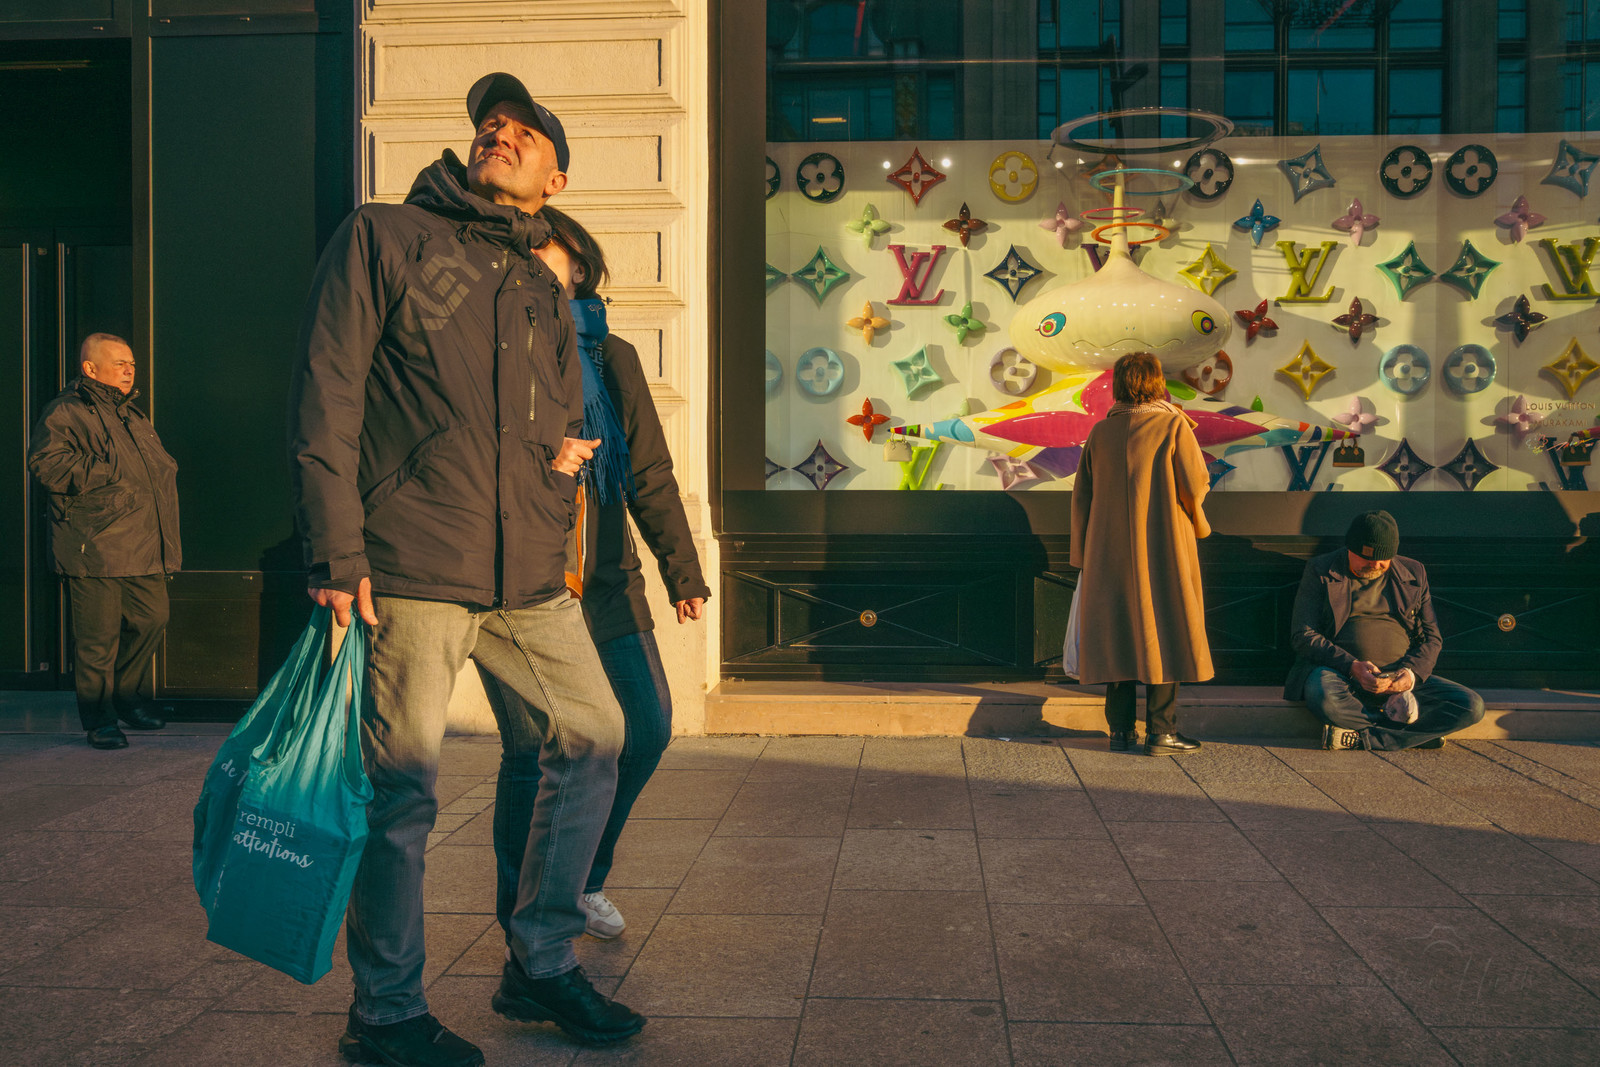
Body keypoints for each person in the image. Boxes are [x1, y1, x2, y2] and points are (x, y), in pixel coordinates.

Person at [288, 72, 644, 1066]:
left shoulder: (539, 279)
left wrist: (559, 461)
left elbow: (549, 414)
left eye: (524, 131)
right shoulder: (388, 236)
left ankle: (538, 954)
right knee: (402, 791)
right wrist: (334, 546)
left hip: (524, 573)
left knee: (596, 731)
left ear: (555, 172)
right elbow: (328, 391)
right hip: (410, 564)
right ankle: (387, 1012)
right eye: (492, 124)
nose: (501, 133)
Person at [489, 205, 710, 946]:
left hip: (606, 581)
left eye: (545, 253)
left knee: (644, 729)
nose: (532, 264)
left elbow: (649, 468)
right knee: (534, 752)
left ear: (578, 267)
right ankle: (521, 917)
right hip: (517, 583)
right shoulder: (493, 349)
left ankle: (578, 877)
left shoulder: (611, 357)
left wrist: (683, 568)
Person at [28, 333, 181, 750]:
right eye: (119, 363)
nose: (129, 370)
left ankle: (126, 697)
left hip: (142, 544)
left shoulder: (132, 416)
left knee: (153, 618)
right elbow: (46, 463)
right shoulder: (67, 410)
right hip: (94, 544)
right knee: (97, 640)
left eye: (131, 363)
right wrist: (105, 472)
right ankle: (99, 719)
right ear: (90, 368)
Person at [1069, 352, 1213, 756]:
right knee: (1166, 626)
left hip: (1108, 553)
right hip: (1163, 547)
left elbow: (1082, 496)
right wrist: (1198, 521)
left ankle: (1120, 731)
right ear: (1155, 383)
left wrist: (1082, 554)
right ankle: (1162, 732)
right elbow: (1195, 485)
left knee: (1116, 636)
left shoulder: (1101, 433)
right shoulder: (1172, 426)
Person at [1285, 510, 1485, 751]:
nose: (1376, 565)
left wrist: (1409, 674)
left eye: (1384, 559)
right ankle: (1415, 736)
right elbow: (1304, 635)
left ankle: (1364, 738)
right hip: (1341, 674)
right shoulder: (1322, 569)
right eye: (1368, 558)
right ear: (1351, 548)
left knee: (1471, 706)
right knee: (1324, 697)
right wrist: (1352, 666)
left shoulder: (1414, 572)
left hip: (1399, 681)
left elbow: (1432, 638)